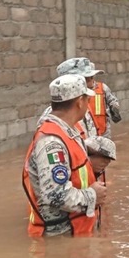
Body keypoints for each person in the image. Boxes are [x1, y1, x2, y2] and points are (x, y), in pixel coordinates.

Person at [22, 75, 110, 236]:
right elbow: (56, 195)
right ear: (79, 102)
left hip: (77, 232)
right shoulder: (51, 143)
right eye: (87, 99)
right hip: (61, 237)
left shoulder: (68, 131)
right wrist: (92, 196)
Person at [57, 57, 121, 139]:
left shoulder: (102, 88)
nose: (91, 82)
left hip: (102, 130)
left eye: (91, 77)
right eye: (85, 79)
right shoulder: (61, 116)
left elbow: (113, 102)